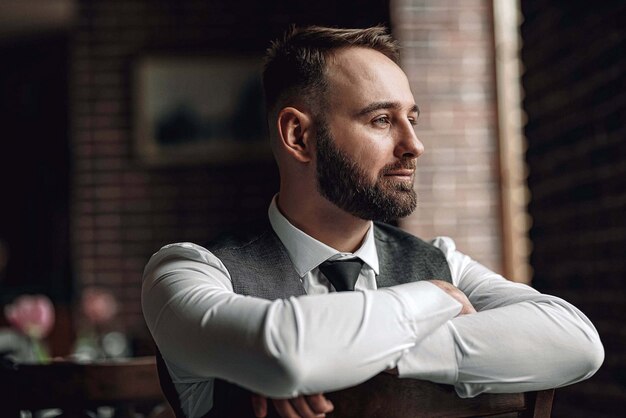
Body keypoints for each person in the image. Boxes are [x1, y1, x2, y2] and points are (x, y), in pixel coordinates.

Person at [142, 25, 604, 418]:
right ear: (297, 135)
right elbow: (283, 349)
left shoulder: (442, 260)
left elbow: (578, 342)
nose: (413, 144)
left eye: (412, 119)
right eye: (382, 120)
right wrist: (428, 300)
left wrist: (343, 356)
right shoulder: (187, 272)